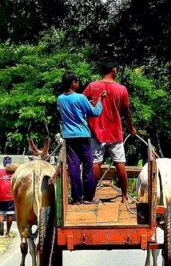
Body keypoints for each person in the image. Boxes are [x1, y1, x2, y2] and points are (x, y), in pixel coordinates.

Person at [83, 63, 137, 203]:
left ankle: (90, 196)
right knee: (120, 163)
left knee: (96, 163)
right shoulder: (121, 89)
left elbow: (80, 103)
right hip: (115, 132)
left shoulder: (92, 86)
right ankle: (124, 197)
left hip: (96, 133)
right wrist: (131, 128)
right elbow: (126, 112)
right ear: (114, 70)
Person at [57, 71, 104, 205]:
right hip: (82, 136)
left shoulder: (60, 99)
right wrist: (100, 100)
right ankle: (88, 197)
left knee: (74, 167)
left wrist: (85, 104)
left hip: (69, 137)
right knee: (88, 166)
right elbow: (95, 112)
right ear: (73, 83)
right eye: (77, 81)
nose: (79, 84)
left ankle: (76, 198)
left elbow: (74, 109)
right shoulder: (80, 98)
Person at [0, 156, 16, 237]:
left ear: (3, 162)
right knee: (10, 214)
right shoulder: (14, 172)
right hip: (11, 197)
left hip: (1, 196)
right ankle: (7, 233)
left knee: (1, 213)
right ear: (11, 163)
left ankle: (1, 222)